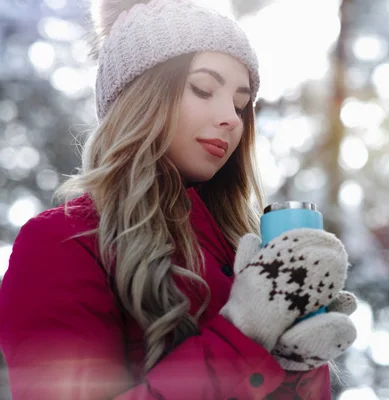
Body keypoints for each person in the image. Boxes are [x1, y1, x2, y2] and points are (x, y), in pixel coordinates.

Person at [0, 0, 358, 398]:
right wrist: (243, 333)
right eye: (203, 89)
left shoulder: (242, 251)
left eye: (241, 105)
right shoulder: (62, 242)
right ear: (139, 97)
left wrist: (294, 358)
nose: (232, 118)